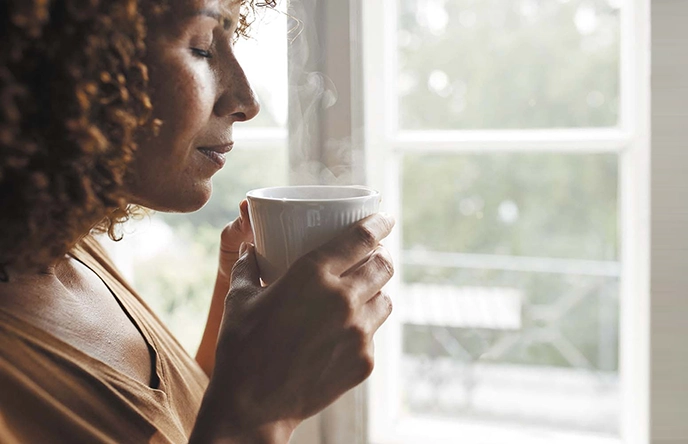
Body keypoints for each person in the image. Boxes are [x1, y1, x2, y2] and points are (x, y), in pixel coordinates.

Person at [0, 0, 395, 442]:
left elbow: (185, 423)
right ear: (70, 60)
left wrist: (238, 298)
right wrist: (258, 417)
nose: (246, 101)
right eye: (204, 47)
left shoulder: (67, 250)